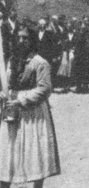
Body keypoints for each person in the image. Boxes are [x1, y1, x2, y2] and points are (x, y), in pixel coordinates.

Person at [0, 27, 60, 188]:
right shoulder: (12, 60)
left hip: (33, 114)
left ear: (32, 41)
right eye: (19, 38)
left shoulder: (40, 63)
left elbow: (44, 89)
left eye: (25, 38)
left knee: (34, 152)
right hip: (12, 112)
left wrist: (20, 99)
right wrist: (4, 95)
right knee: (8, 151)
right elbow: (6, 84)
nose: (21, 41)